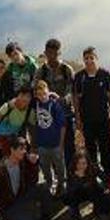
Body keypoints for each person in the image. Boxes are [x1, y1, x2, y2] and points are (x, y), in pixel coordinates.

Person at [73, 46, 110, 178]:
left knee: (106, 147)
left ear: (96, 59)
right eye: (86, 58)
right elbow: (76, 98)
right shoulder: (80, 77)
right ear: (83, 60)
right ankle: (92, 174)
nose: (89, 61)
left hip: (103, 118)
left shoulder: (104, 74)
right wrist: (78, 117)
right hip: (87, 120)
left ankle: (109, 174)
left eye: (91, 58)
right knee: (90, 148)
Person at [33, 38, 75, 170]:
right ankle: (56, 174)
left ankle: (71, 172)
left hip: (65, 113)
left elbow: (72, 92)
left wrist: (61, 99)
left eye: (55, 53)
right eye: (49, 53)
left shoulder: (66, 69)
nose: (52, 56)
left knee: (68, 145)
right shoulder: (41, 71)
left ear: (59, 53)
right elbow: (35, 88)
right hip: (47, 116)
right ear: (45, 52)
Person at [0, 85, 36, 167]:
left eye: (28, 96)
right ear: (18, 95)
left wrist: (33, 148)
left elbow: (33, 130)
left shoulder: (30, 111)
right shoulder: (8, 106)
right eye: (22, 95)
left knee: (13, 167)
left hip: (12, 141)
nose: (24, 98)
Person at [31, 80, 66, 196]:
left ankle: (61, 184)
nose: (42, 96)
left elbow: (62, 126)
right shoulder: (35, 104)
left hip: (55, 144)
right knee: (45, 167)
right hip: (42, 144)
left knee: (60, 167)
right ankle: (50, 183)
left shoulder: (54, 105)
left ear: (48, 91)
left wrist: (61, 144)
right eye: (39, 94)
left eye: (44, 93)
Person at [63, 150, 110, 220]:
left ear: (88, 163)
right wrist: (77, 179)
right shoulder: (71, 171)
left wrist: (108, 188)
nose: (81, 166)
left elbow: (105, 178)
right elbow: (69, 189)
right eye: (78, 163)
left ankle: (97, 208)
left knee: (103, 198)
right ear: (75, 163)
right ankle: (74, 211)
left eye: (84, 163)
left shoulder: (92, 168)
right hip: (78, 193)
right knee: (68, 197)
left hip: (91, 190)